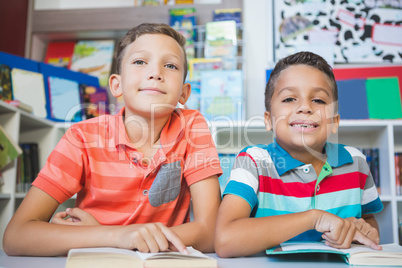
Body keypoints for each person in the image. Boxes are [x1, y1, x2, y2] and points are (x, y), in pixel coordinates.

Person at [3, 23, 222, 256]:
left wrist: (115, 236)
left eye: (170, 65)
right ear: (116, 85)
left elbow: (210, 233)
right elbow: (16, 236)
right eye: (140, 62)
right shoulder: (82, 137)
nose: (156, 72)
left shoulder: (192, 126)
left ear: (183, 93)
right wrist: (118, 237)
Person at [214, 51, 383, 258]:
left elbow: (368, 220)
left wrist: (366, 230)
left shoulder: (355, 162)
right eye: (290, 98)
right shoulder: (253, 161)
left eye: (319, 100)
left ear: (334, 122)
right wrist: (314, 218)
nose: (305, 107)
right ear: (268, 120)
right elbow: (224, 240)